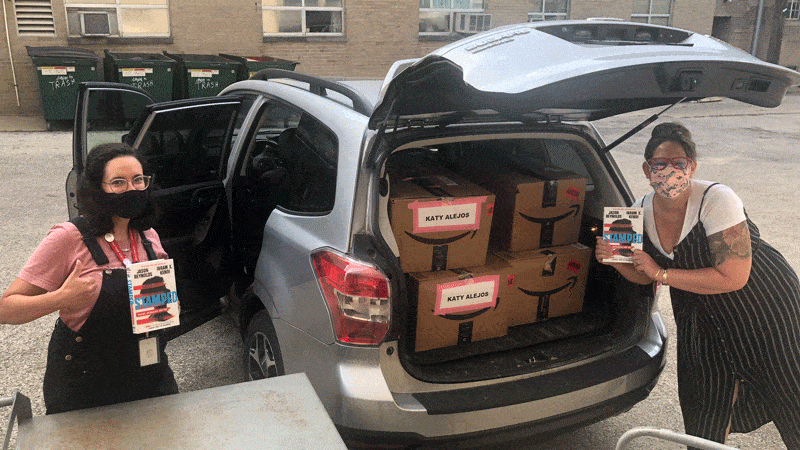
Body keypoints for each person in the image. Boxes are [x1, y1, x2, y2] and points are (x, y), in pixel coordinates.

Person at [595, 122, 800, 449]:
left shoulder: (718, 199)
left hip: (761, 302)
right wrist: (615, 260)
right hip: (699, 312)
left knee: (789, 390)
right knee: (702, 400)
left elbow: (734, 276)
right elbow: (640, 274)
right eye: (661, 164)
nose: (670, 172)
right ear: (647, 169)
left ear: (692, 167)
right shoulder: (632, 212)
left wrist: (660, 273)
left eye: (680, 164)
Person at [0, 143, 179, 414]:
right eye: (118, 182)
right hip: (85, 383)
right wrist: (60, 298)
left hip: (149, 372)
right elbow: (6, 308)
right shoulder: (68, 238)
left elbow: (158, 309)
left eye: (138, 180)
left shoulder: (148, 236)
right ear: (98, 189)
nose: (132, 189)